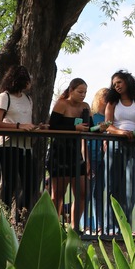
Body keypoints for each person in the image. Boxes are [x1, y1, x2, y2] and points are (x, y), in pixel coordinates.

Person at [104, 70, 135, 229]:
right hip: (116, 143)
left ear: (127, 81)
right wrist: (120, 132)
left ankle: (123, 223)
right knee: (113, 184)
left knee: (133, 185)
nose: (116, 86)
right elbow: (107, 125)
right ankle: (110, 225)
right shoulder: (112, 102)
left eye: (119, 82)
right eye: (114, 84)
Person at [0, 65, 40, 222]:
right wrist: (18, 126)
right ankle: (2, 220)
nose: (30, 82)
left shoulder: (27, 99)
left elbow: (27, 121)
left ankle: (20, 218)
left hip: (25, 146)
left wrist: (36, 127)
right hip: (7, 145)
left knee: (30, 183)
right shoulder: (4, 97)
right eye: (28, 79)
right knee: (9, 182)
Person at [47, 78, 91, 228]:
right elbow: (53, 126)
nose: (83, 95)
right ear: (71, 90)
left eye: (85, 92)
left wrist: (100, 128)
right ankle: (53, 226)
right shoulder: (62, 104)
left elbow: (88, 127)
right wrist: (74, 128)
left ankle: (75, 227)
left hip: (76, 153)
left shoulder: (85, 106)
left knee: (83, 192)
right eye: (80, 92)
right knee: (58, 193)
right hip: (59, 152)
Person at [83, 87, 110, 233]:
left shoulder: (109, 116)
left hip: (104, 158)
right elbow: (86, 131)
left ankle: (99, 225)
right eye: (105, 97)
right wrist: (98, 128)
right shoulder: (91, 115)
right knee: (86, 192)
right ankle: (84, 224)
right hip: (91, 156)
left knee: (99, 192)